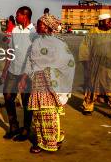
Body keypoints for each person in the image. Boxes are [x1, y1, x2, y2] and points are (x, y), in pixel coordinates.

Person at [24, 15, 75, 153]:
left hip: (52, 81)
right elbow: (30, 61)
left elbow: (68, 63)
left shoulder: (59, 43)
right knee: (38, 112)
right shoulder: (35, 42)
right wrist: (27, 76)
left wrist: (51, 71)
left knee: (50, 112)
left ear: (47, 27)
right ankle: (41, 141)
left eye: (39, 24)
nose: (36, 26)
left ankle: (54, 139)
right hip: (38, 80)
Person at [79, 14, 111, 121]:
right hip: (95, 66)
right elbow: (84, 48)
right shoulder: (92, 32)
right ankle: (88, 107)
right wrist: (85, 62)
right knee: (92, 89)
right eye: (108, 22)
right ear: (101, 22)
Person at [2, 6, 36, 141]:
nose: (16, 17)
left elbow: (34, 55)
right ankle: (13, 126)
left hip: (26, 72)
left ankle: (26, 130)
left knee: (26, 101)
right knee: (7, 96)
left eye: (17, 15)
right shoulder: (15, 30)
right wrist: (4, 70)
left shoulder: (34, 32)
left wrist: (26, 75)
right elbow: (10, 51)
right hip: (13, 70)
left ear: (25, 16)